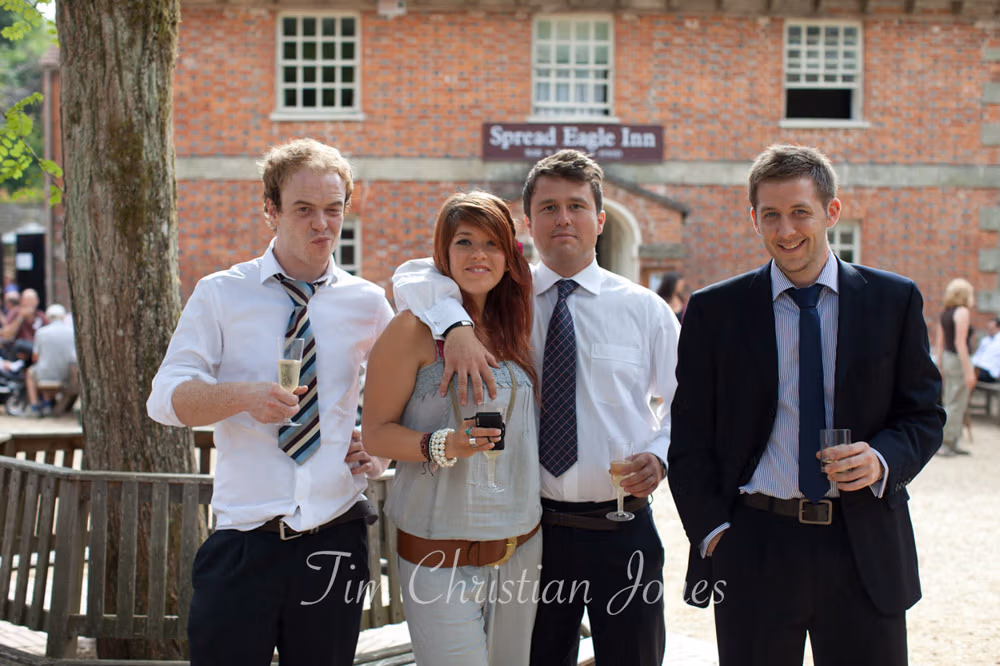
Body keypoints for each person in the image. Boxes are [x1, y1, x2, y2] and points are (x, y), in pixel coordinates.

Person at [393, 149, 678, 666]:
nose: (563, 219)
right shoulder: (506, 301)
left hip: (623, 526)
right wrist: (454, 326)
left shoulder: (644, 310)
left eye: (576, 206)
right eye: (548, 207)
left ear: (600, 218)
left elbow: (689, 404)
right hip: (536, 536)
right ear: (528, 222)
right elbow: (414, 276)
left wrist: (659, 453)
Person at [668, 144, 944, 666]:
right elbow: (690, 439)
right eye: (770, 215)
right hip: (754, 546)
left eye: (800, 212)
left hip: (862, 544)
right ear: (754, 219)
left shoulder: (894, 300)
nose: (785, 229)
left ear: (831, 212)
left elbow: (924, 415)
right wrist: (714, 536)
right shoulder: (714, 312)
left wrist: (882, 458)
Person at [147, 138, 394, 666]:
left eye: (333, 209)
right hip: (243, 544)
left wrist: (381, 452)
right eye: (303, 209)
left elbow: (410, 392)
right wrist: (241, 397)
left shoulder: (368, 303)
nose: (321, 224)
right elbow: (165, 399)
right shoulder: (220, 293)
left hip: (336, 537)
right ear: (270, 211)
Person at [363, 191, 540, 666]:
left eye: (492, 243)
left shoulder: (515, 327)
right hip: (438, 556)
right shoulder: (412, 329)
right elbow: (375, 434)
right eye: (464, 242)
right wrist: (444, 444)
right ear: (443, 254)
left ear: (509, 254)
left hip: (522, 549)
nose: (478, 255)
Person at [934, 278, 976, 456]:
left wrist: (940, 365)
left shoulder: (945, 313)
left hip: (947, 359)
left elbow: (940, 342)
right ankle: (947, 443)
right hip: (958, 360)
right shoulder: (962, 312)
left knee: (950, 401)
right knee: (956, 403)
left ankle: (952, 440)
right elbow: (960, 343)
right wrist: (969, 371)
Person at [25, 303, 76, 417]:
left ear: (48, 317)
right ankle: (48, 404)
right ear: (63, 317)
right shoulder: (71, 332)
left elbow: (35, 357)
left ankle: (35, 406)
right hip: (65, 372)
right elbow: (74, 357)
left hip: (46, 372)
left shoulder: (41, 332)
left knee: (31, 372)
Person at [972, 316, 1000, 383]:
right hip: (978, 367)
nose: (989, 330)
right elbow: (977, 355)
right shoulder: (985, 340)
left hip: (991, 372)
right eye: (988, 328)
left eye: (992, 328)